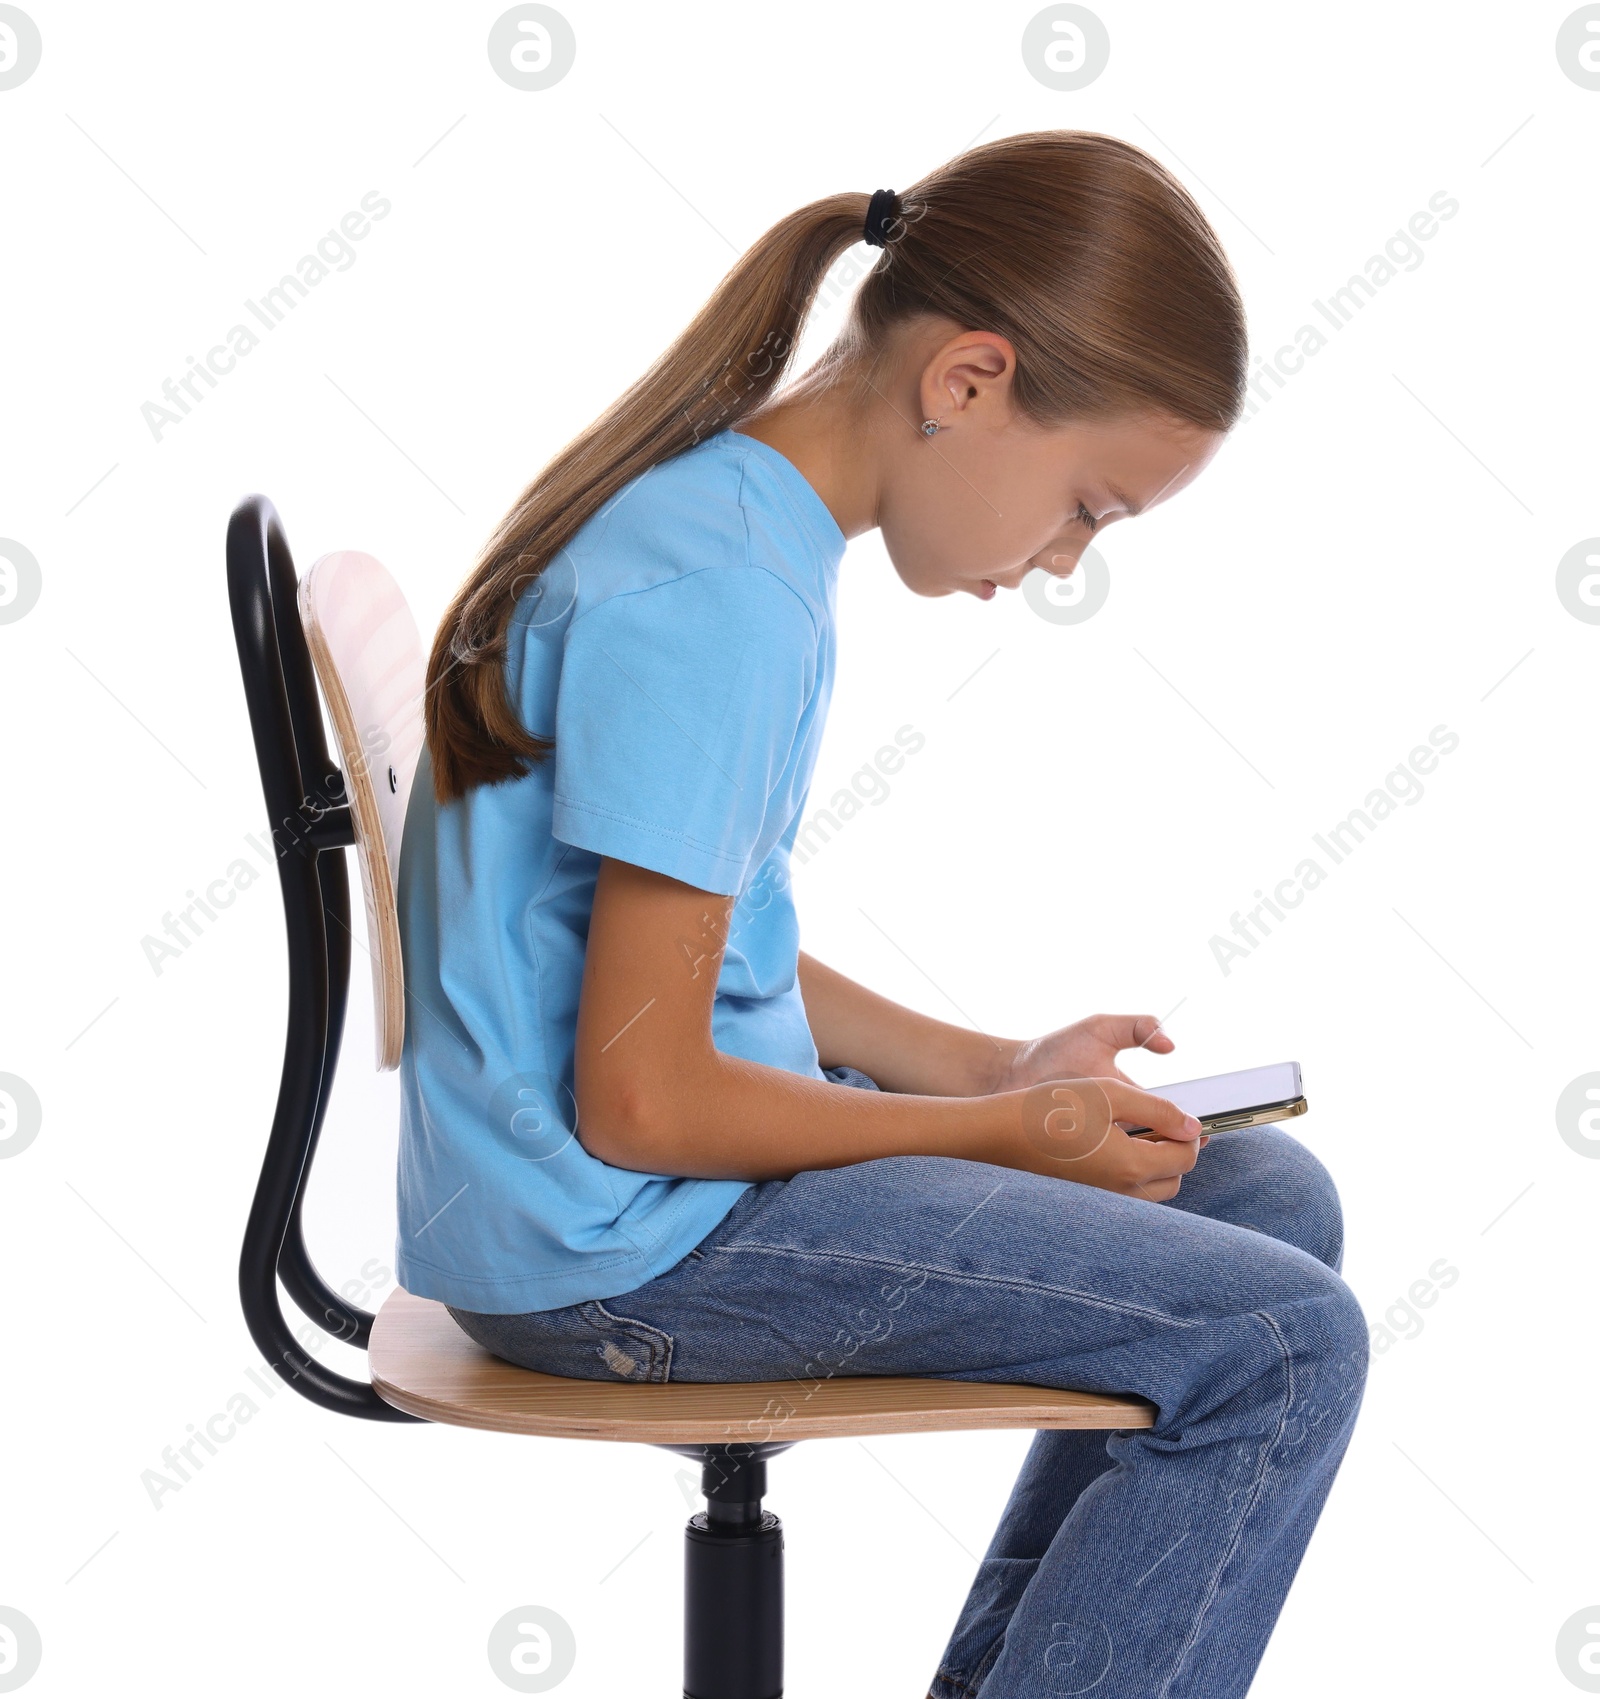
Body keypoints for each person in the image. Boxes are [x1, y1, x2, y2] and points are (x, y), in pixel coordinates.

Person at [396, 129, 1367, 1699]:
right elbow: (643, 1100)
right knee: (1285, 1345)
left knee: (1261, 1200)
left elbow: (708, 954)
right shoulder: (720, 602)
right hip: (622, 1253)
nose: (1061, 563)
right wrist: (994, 1137)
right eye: (1085, 510)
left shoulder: (728, 531)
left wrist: (993, 1072)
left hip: (617, 1208)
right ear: (970, 382)